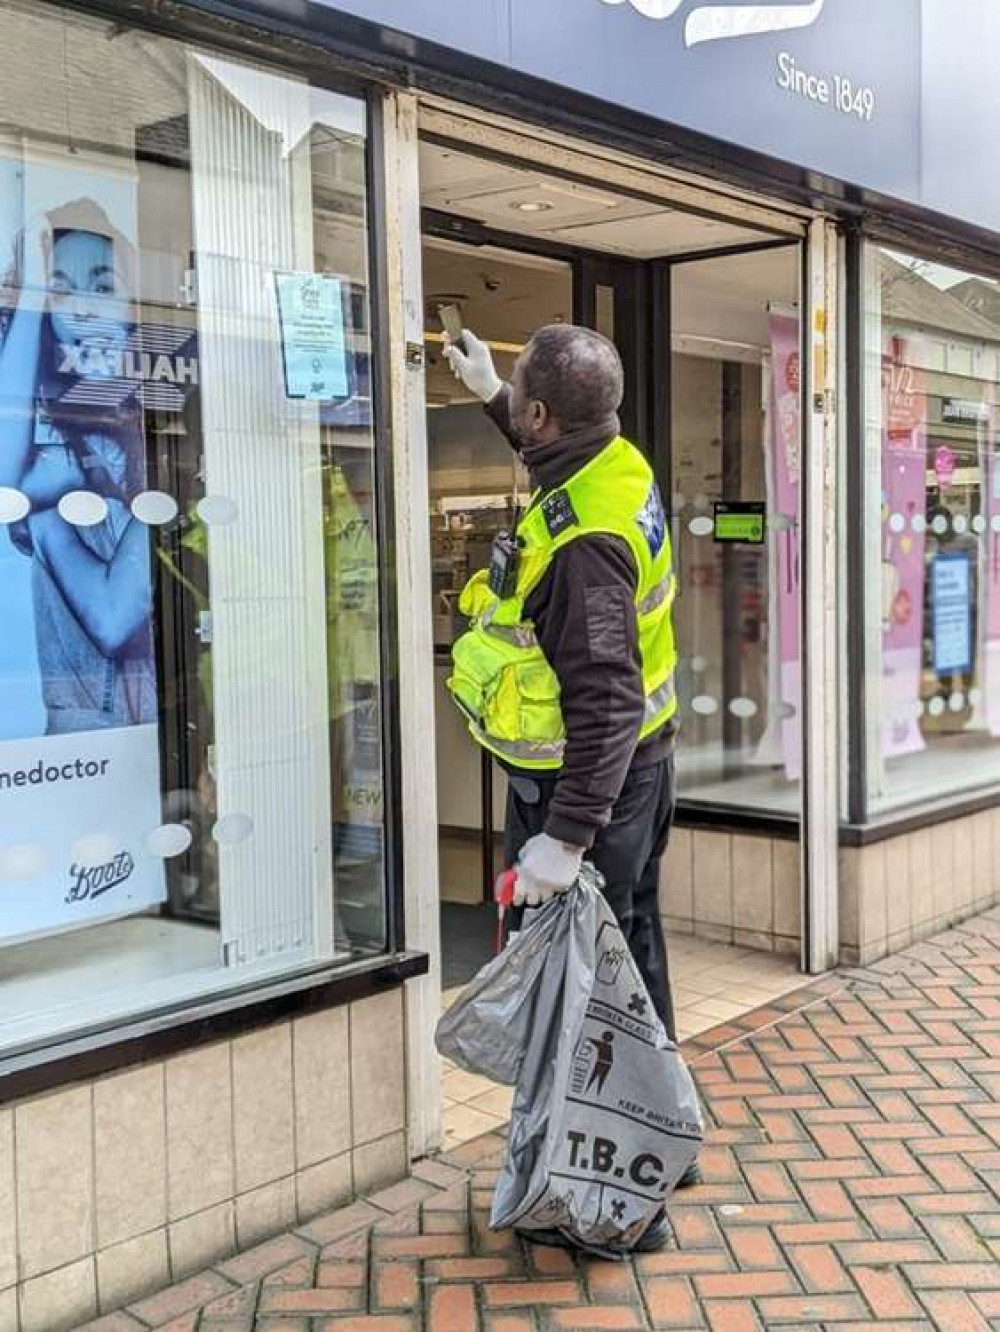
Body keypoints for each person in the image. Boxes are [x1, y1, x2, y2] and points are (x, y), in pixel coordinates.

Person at [445, 324, 698, 1247]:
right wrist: (487, 394)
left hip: (594, 788)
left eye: (519, 395)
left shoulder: (588, 545)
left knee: (591, 995)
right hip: (640, 774)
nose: (516, 405)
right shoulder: (616, 463)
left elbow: (604, 700)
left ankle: (617, 1206)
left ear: (545, 412)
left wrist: (564, 842)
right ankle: (669, 1138)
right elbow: (560, 465)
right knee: (631, 958)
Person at [0, 199, 154, 735]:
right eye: (62, 290)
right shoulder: (50, 458)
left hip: (169, 731)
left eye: (103, 286)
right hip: (83, 750)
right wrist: (32, 294)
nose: (83, 310)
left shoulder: (160, 440)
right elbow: (113, 616)